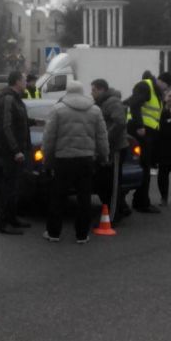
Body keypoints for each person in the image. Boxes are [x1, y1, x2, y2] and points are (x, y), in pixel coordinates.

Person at [42, 80, 108, 244]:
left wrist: (47, 159)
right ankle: (82, 235)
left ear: (67, 91)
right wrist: (103, 156)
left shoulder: (57, 109)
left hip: (63, 159)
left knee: (58, 197)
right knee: (84, 197)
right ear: (82, 91)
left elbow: (49, 137)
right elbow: (102, 136)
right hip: (86, 159)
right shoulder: (95, 110)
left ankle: (54, 233)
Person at [0, 71, 32, 235]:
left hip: (15, 152)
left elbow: (18, 121)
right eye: (24, 80)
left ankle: (12, 218)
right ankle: (2, 224)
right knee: (7, 188)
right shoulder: (8, 99)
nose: (26, 82)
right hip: (8, 153)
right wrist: (15, 150)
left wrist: (34, 122)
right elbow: (6, 126)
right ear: (17, 82)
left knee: (14, 187)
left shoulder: (16, 98)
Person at [91, 78, 130, 222]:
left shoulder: (112, 102)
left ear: (102, 90)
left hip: (115, 148)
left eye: (94, 90)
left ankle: (113, 217)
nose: (91, 93)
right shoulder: (101, 103)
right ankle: (122, 208)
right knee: (105, 181)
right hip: (107, 148)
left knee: (113, 183)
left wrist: (106, 139)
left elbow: (120, 122)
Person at [127, 70, 165, 213]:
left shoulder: (154, 90)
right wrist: (140, 126)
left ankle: (139, 201)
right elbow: (134, 104)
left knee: (143, 167)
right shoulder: (146, 86)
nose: (166, 89)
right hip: (141, 132)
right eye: (166, 86)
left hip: (146, 132)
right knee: (142, 167)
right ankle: (141, 202)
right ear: (161, 81)